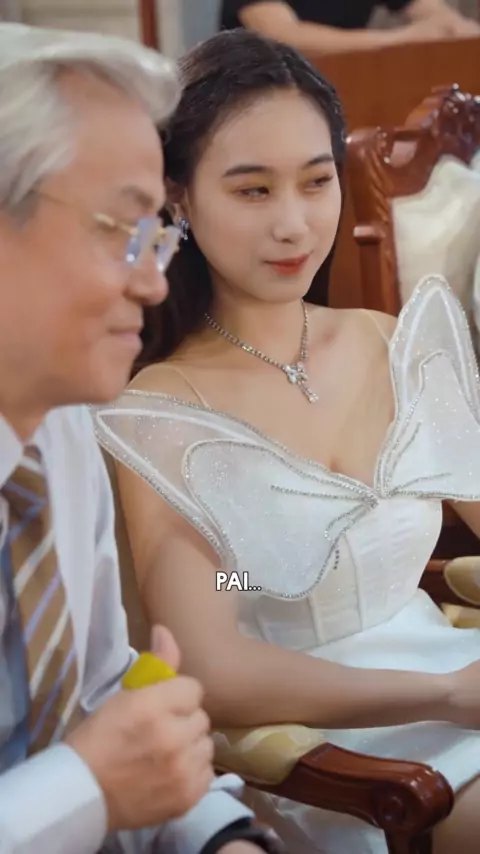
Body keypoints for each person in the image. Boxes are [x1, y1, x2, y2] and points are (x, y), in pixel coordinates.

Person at [92, 28, 480, 854]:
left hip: (452, 665)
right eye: (253, 190)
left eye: (316, 180)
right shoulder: (165, 408)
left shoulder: (390, 342)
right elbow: (211, 660)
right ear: (179, 198)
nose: (295, 224)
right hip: (325, 747)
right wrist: (448, 693)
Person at [0, 22, 282, 854]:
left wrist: (221, 837)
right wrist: (85, 789)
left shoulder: (60, 424)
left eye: (318, 179)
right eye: (118, 229)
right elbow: (217, 617)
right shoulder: (150, 403)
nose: (152, 279)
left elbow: (100, 695)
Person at [219, 0, 480, 56]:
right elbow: (283, 36)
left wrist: (457, 30)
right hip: (255, 94)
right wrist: (405, 39)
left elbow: (435, 14)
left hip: (342, 90)